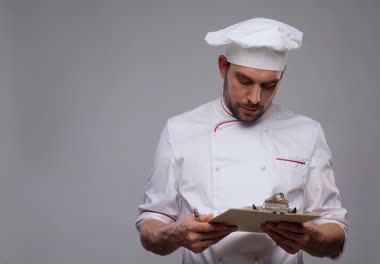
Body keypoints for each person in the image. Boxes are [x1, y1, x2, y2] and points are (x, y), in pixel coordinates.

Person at [136, 18, 348, 264]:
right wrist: (174, 234)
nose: (255, 98)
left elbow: (336, 233)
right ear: (223, 67)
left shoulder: (307, 132)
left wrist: (312, 238)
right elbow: (151, 227)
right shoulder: (180, 129)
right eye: (245, 81)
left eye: (269, 85)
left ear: (283, 75)